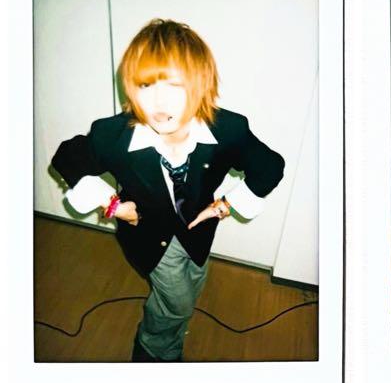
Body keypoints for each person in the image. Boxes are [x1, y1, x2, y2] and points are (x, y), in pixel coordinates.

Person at [51, 18, 285, 361]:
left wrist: (225, 205)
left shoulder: (228, 129)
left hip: (199, 231)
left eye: (174, 86)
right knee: (177, 304)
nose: (159, 102)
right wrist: (113, 205)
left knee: (193, 283)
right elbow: (67, 158)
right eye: (146, 86)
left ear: (200, 85)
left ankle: (170, 335)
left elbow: (269, 166)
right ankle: (153, 355)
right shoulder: (113, 135)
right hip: (148, 236)